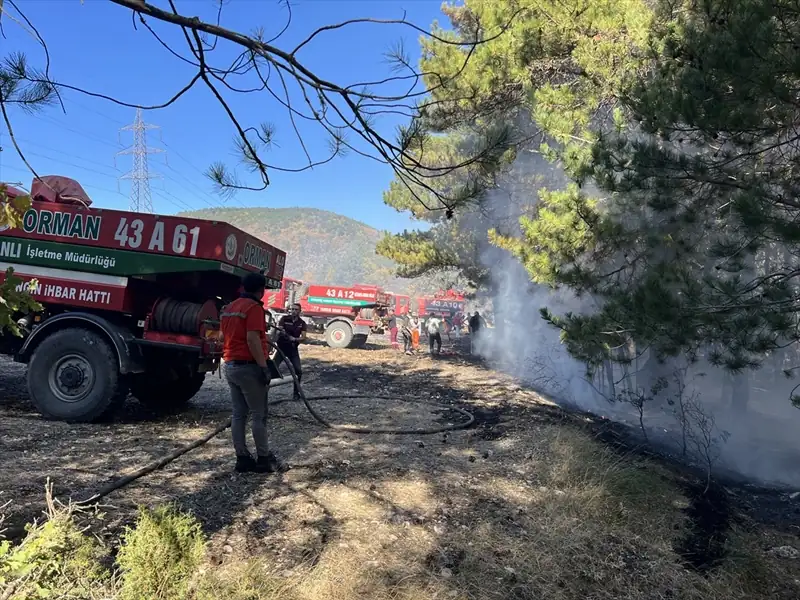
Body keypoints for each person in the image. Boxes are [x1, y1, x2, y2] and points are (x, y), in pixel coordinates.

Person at [220, 272, 287, 474]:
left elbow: (224, 335)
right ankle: (263, 459)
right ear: (262, 291)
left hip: (230, 365)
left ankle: (242, 458)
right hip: (249, 367)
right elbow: (252, 339)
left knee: (239, 414)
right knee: (259, 414)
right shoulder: (254, 308)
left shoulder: (230, 307)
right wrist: (264, 367)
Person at [276, 302, 307, 401]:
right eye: (292, 309)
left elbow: (303, 338)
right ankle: (264, 390)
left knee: (298, 371)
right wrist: (281, 331)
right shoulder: (284, 319)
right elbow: (279, 330)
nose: (293, 311)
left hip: (293, 349)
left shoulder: (302, 323)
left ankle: (296, 393)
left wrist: (294, 339)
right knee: (272, 367)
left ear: (299, 311)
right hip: (281, 348)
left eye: (296, 309)